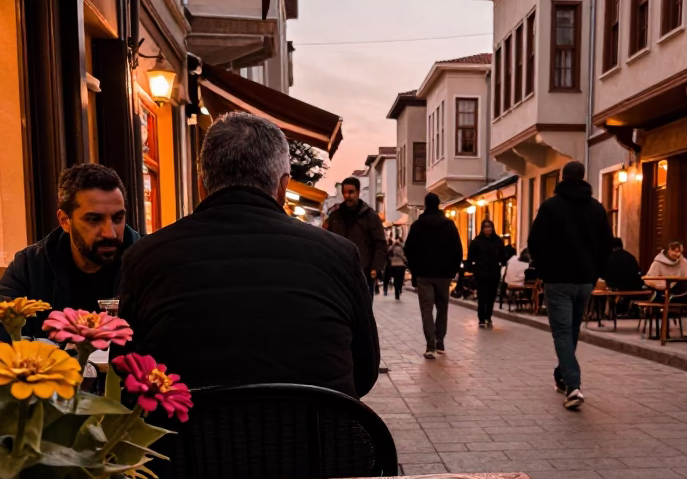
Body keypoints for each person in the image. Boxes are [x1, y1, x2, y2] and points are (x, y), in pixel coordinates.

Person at [118, 112, 379, 399]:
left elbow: (127, 370)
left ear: (202, 185)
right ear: (282, 187)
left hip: (191, 441)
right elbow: (364, 371)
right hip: (315, 438)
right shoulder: (339, 255)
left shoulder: (144, 257)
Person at [0, 163, 139, 340]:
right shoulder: (32, 265)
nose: (110, 232)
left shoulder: (149, 262)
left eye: (118, 218)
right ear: (65, 220)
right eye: (94, 220)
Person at [528, 160, 613, 410]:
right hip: (585, 280)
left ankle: (573, 386)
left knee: (564, 332)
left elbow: (535, 242)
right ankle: (562, 375)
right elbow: (607, 244)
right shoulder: (596, 209)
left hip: (558, 280)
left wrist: (544, 270)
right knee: (572, 330)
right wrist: (596, 271)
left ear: (562, 178)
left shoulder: (551, 207)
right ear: (584, 177)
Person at [404, 191, 463, 359]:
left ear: (425, 205)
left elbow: (409, 250)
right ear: (438, 205)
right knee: (442, 309)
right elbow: (457, 250)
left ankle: (431, 346)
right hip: (444, 276)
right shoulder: (449, 225)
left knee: (426, 310)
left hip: (424, 275)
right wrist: (452, 271)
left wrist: (415, 271)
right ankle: (440, 341)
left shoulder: (417, 226)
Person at [323, 175, 388, 297]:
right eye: (345, 193)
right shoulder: (335, 217)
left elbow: (380, 243)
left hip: (363, 273)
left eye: (351, 192)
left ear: (358, 192)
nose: (347, 196)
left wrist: (375, 268)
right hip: (340, 272)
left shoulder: (370, 216)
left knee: (363, 311)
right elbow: (327, 242)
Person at [467, 218, 506, 328]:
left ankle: (488, 316)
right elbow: (471, 257)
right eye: (486, 227)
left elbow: (502, 256)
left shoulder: (498, 241)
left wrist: (503, 262)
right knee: (482, 296)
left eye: (490, 227)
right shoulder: (477, 241)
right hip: (481, 273)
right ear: (482, 229)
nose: (488, 229)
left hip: (494, 273)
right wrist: (471, 268)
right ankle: (481, 318)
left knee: (491, 296)